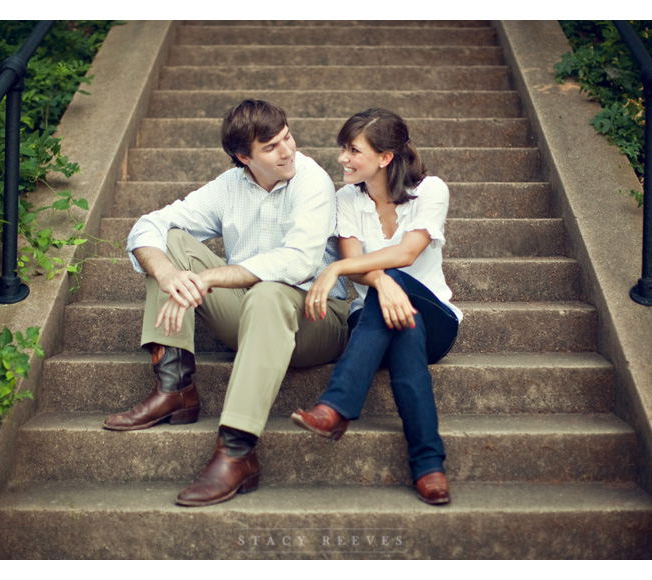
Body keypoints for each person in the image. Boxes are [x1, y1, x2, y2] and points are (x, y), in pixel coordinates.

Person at [103, 99, 350, 507]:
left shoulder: (313, 181)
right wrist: (169, 275)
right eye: (271, 147)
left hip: (316, 318)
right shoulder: (228, 186)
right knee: (170, 242)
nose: (287, 151)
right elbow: (148, 226)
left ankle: (236, 452)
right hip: (250, 316)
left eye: (287, 137)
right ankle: (175, 388)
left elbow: (299, 262)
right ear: (243, 157)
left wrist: (211, 276)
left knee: (270, 291)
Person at [292, 108, 463, 505]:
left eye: (353, 150)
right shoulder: (346, 199)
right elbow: (361, 267)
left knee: (399, 285)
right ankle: (429, 466)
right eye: (343, 148)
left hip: (436, 320)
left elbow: (405, 254)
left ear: (385, 158)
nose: (342, 159)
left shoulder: (431, 191)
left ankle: (336, 408)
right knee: (401, 325)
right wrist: (381, 281)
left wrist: (337, 266)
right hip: (378, 325)